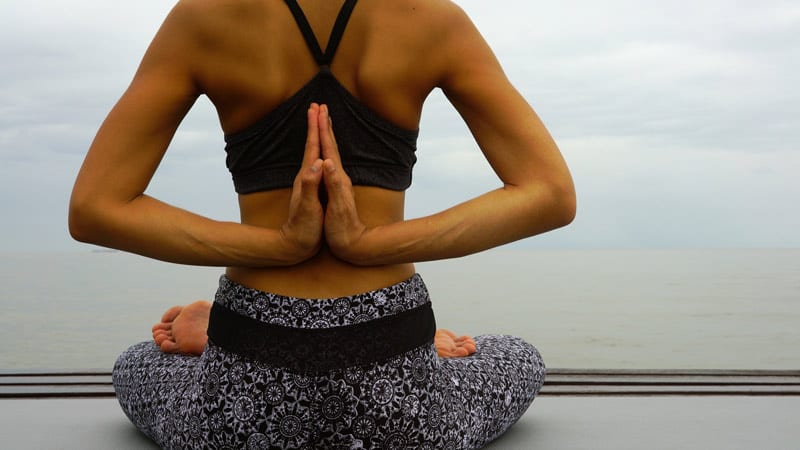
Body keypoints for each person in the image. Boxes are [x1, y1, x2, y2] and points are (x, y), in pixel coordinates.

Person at [69, 0, 575, 448]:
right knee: (517, 356)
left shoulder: (202, 17)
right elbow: (549, 195)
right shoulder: (433, 18)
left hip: (242, 402)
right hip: (399, 402)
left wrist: (279, 246)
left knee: (137, 362)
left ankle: (213, 337)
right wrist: (370, 244)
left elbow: (96, 208)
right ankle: (425, 350)